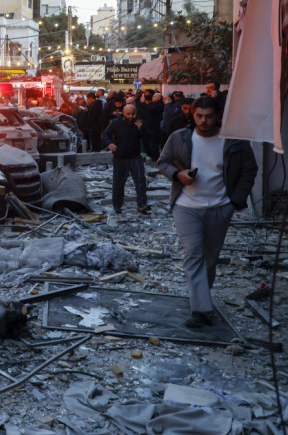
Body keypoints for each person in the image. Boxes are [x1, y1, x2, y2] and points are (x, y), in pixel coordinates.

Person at [157, 96, 258, 329]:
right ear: (192, 116)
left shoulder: (234, 141)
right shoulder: (180, 137)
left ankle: (201, 299)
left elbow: (249, 169)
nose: (204, 121)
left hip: (220, 207)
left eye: (209, 116)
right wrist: (177, 174)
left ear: (217, 116)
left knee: (209, 258)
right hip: (186, 206)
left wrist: (236, 201)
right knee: (193, 254)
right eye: (199, 116)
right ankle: (201, 309)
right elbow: (162, 162)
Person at [102, 104, 148, 215]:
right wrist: (110, 144)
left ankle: (142, 205)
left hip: (135, 157)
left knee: (140, 181)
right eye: (128, 114)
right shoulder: (115, 123)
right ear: (124, 113)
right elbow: (105, 134)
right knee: (118, 183)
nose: (131, 116)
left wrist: (140, 129)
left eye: (133, 114)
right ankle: (117, 206)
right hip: (120, 157)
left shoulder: (139, 123)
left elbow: (147, 139)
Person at [141, 92, 165, 161]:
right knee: (148, 143)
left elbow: (150, 110)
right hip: (149, 127)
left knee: (153, 144)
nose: (152, 97)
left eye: (154, 96)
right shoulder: (154, 104)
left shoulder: (159, 105)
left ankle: (155, 157)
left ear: (159, 98)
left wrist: (143, 103)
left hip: (154, 128)